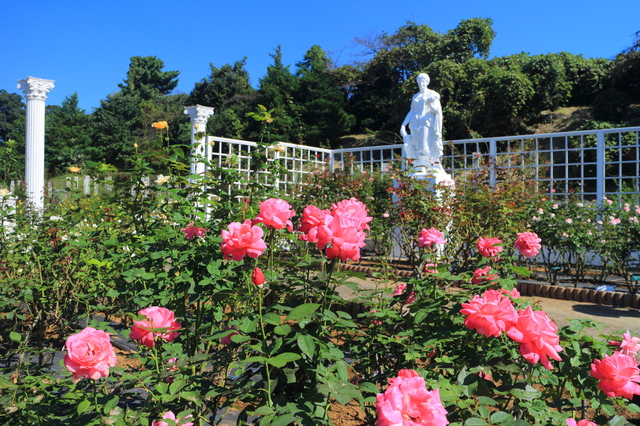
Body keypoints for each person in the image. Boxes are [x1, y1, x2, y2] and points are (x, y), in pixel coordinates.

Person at [400, 73, 444, 173]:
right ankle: (421, 167)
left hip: (425, 123)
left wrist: (429, 104)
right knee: (416, 147)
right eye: (419, 81)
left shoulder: (432, 94)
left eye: (423, 81)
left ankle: (430, 166)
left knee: (425, 147)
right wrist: (403, 125)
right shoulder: (416, 96)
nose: (421, 83)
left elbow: (436, 111)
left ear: (427, 82)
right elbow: (412, 112)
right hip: (414, 123)